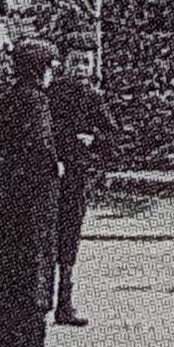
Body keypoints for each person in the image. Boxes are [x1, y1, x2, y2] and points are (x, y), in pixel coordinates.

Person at [0, 40, 69, 347]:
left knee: (10, 266)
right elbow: (40, 146)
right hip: (34, 200)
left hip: (7, 198)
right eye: (50, 67)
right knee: (35, 265)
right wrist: (56, 166)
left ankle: (2, 342)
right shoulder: (36, 102)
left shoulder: (7, 99)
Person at [50, 42, 123, 326]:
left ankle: (64, 302)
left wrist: (94, 140)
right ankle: (39, 305)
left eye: (86, 63)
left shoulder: (93, 97)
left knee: (69, 237)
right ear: (64, 64)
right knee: (45, 238)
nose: (81, 69)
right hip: (48, 173)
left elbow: (111, 134)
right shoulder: (50, 93)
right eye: (76, 62)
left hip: (75, 175)